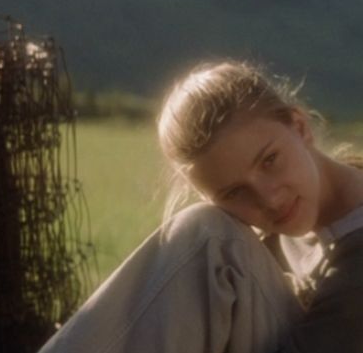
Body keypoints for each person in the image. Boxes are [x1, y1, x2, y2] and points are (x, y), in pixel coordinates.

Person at [37, 60, 363, 352]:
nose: (270, 199)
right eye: (235, 192)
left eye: (270, 160)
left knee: (211, 239)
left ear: (300, 126)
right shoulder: (263, 243)